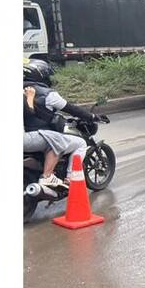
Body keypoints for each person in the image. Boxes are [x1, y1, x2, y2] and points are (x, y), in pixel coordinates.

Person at [23, 59, 97, 194]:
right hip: (30, 136)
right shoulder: (46, 94)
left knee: (54, 139)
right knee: (74, 142)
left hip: (29, 135)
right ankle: (64, 178)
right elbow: (71, 108)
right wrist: (91, 116)